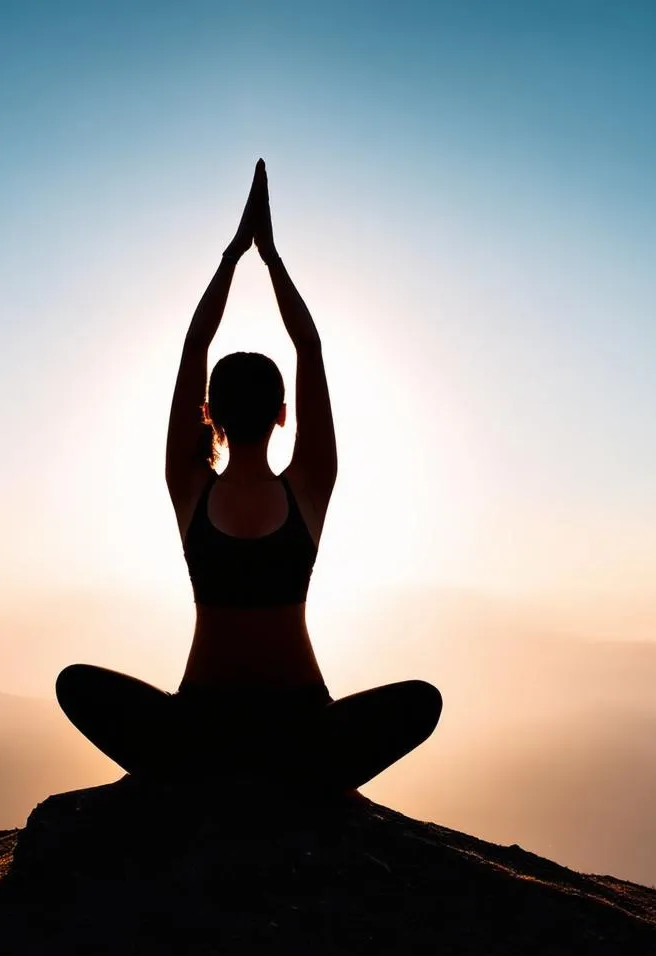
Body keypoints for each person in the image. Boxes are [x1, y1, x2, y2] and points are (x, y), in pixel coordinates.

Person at [57, 160, 441, 792]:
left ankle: (200, 785)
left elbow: (192, 349)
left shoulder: (189, 490)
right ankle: (294, 789)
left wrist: (233, 255)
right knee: (420, 701)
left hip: (200, 730)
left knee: (76, 686)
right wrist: (271, 258)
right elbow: (309, 349)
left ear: (210, 415)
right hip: (302, 733)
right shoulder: (308, 488)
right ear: (284, 414)